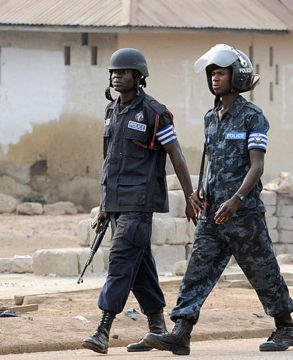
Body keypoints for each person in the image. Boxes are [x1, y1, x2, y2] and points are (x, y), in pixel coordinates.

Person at [143, 44, 293, 355]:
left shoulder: (253, 117)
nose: (215, 78)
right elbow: (210, 160)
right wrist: (200, 191)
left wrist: (237, 199)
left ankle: (286, 328)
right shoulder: (210, 118)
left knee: (262, 271)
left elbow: (257, 164)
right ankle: (181, 332)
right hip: (213, 212)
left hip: (244, 214)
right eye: (212, 73)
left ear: (236, 77)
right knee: (196, 271)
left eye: (221, 73)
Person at [82, 48, 196, 354]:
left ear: (139, 77)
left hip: (140, 203)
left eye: (124, 72)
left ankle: (103, 329)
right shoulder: (111, 111)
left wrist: (189, 197)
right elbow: (109, 161)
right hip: (117, 203)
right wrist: (105, 204)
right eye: (114, 72)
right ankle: (158, 328)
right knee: (139, 265)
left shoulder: (154, 113)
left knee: (120, 261)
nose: (117, 76)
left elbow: (177, 155)